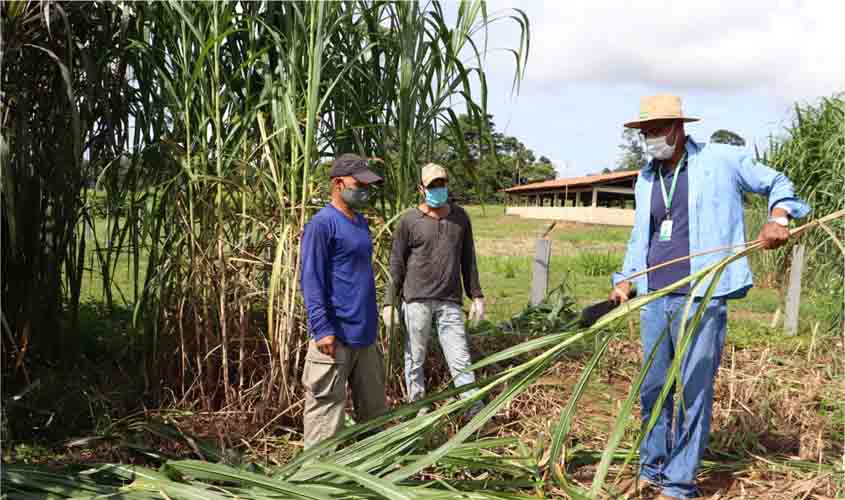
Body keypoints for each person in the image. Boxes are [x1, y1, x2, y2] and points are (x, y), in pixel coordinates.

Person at [609, 95, 810, 499]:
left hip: (702, 295)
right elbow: (640, 235)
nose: (650, 139)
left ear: (678, 128)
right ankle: (653, 468)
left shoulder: (721, 160)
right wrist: (626, 278)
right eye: (644, 132)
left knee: (693, 391)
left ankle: (680, 484)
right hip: (656, 295)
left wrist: (778, 217)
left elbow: (777, 182)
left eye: (656, 131)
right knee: (653, 389)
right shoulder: (646, 178)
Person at [299, 153, 388, 449]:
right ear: (338, 183)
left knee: (374, 415)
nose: (364, 190)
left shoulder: (360, 223)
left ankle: (376, 475)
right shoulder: (322, 225)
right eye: (358, 183)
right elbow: (311, 278)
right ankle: (316, 479)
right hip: (334, 337)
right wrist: (322, 328)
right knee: (325, 417)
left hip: (364, 337)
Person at [383, 163, 486, 417]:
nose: (438, 189)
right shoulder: (409, 221)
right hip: (416, 300)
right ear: (421, 189)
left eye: (442, 184)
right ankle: (417, 407)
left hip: (449, 301)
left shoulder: (460, 218)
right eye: (432, 186)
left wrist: (476, 296)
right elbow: (396, 263)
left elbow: (468, 259)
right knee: (414, 358)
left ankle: (473, 411)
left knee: (460, 358)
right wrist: (389, 302)